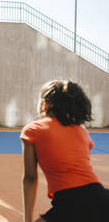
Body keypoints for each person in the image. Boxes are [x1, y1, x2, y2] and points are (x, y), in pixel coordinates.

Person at [20, 80, 109, 222]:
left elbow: (30, 178)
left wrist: (27, 219)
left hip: (70, 202)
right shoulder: (82, 131)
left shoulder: (33, 130)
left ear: (45, 104)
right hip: (102, 198)